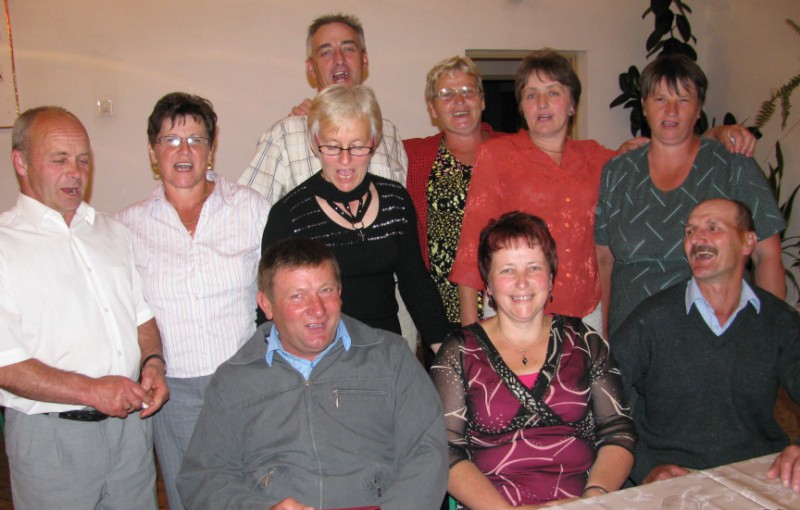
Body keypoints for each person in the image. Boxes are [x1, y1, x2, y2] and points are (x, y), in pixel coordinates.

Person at [176, 237, 447, 510]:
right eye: (297, 296)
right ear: (266, 304)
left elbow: (428, 455)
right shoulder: (235, 380)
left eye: (326, 290)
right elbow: (203, 478)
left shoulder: (389, 357)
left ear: (341, 292)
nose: (317, 309)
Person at [450, 49, 756, 333]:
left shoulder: (600, 159)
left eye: (553, 92)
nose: (542, 103)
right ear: (522, 107)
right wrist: (471, 337)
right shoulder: (497, 155)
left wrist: (717, 135)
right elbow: (470, 248)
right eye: (531, 95)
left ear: (572, 104)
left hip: (586, 314)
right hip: (515, 308)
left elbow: (670, 145)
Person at [0, 107, 168, 510]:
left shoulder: (112, 232)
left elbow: (141, 318)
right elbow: (4, 362)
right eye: (59, 159)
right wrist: (92, 390)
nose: (75, 172)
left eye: (83, 159)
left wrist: (153, 363)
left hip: (129, 431)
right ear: (21, 162)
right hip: (52, 437)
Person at [116, 92, 269, 510]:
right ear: (152, 151)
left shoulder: (251, 209)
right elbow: (129, 313)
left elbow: (276, 293)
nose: (184, 151)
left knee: (253, 502)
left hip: (244, 385)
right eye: (170, 140)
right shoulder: (127, 227)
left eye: (195, 139)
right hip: (175, 393)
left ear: (211, 148)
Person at [432, 212, 636, 510]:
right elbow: (444, 449)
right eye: (507, 270)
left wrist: (593, 500)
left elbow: (617, 432)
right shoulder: (458, 352)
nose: (522, 282)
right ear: (488, 285)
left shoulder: (585, 341)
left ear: (551, 278)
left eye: (534, 268)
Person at [612, 199, 800, 491]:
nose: (697, 239)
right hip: (673, 482)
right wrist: (646, 468)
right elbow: (600, 402)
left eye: (713, 228)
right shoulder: (651, 320)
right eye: (690, 231)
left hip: (757, 477)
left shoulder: (779, 321)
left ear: (748, 242)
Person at [596, 55, 786, 337]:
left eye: (683, 100)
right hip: (632, 337)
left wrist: (770, 335)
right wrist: (603, 338)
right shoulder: (618, 171)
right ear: (645, 106)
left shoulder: (732, 166)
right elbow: (604, 261)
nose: (671, 110)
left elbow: (767, 254)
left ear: (698, 110)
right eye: (660, 99)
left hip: (713, 336)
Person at [261, 84, 451, 350]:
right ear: (315, 143)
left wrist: (447, 355)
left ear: (374, 142)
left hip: (385, 350)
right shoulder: (290, 213)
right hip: (321, 356)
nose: (345, 161)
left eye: (358, 146)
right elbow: (271, 304)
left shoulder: (395, 200)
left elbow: (416, 284)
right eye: (333, 147)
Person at [238, 13, 407, 205]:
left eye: (348, 49)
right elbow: (246, 210)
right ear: (311, 68)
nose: (339, 59)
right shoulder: (285, 135)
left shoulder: (389, 133)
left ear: (365, 60)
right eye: (326, 52)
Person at [404, 56, 505, 331]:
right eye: (446, 94)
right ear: (432, 108)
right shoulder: (414, 155)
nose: (458, 101)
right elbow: (359, 139)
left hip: (507, 301)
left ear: (482, 100)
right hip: (440, 308)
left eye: (467, 91)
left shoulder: (512, 150)